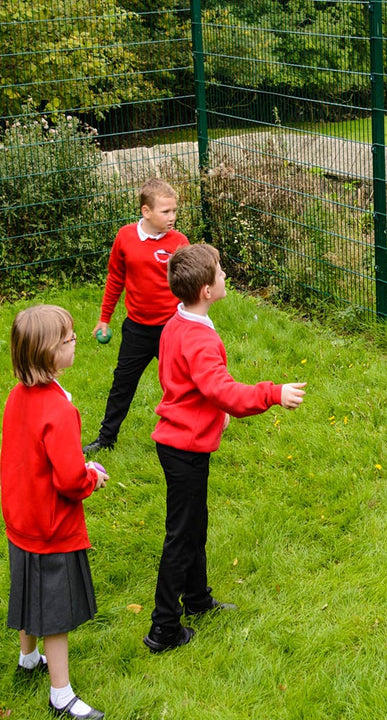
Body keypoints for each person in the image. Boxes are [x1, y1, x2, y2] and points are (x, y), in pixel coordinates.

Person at [143, 243, 306, 653]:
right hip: (184, 449)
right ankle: (163, 629)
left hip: (182, 443)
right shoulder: (197, 337)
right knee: (181, 536)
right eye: (220, 272)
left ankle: (198, 602)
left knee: (195, 525)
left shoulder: (177, 323)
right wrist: (272, 393)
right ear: (206, 291)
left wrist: (214, 413)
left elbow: (184, 383)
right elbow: (222, 389)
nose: (225, 276)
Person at [1, 305, 109, 719]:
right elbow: (68, 480)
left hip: (20, 517)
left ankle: (28, 659)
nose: (75, 340)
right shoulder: (60, 412)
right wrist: (91, 477)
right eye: (68, 338)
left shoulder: (16, 395)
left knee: (26, 588)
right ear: (48, 353)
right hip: (51, 526)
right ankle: (60, 694)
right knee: (55, 613)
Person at [83, 178, 190, 455]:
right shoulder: (126, 237)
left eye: (174, 210)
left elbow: (190, 284)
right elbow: (116, 278)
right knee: (122, 384)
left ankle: (189, 432)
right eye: (166, 211)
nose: (173, 217)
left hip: (171, 328)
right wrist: (104, 318)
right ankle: (106, 439)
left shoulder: (179, 242)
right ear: (146, 211)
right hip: (137, 329)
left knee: (181, 383)